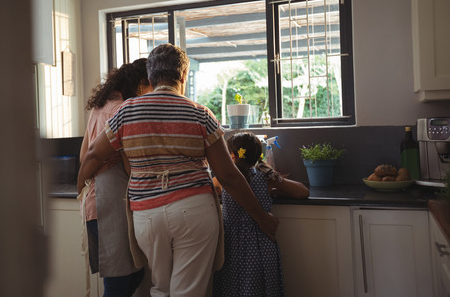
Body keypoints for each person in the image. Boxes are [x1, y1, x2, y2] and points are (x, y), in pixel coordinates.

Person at [78, 43, 279, 297]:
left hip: (146, 215)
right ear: (183, 76)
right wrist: (262, 218)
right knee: (189, 291)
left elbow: (94, 154)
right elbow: (227, 176)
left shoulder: (126, 112)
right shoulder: (200, 114)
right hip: (193, 211)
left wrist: (80, 187)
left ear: (150, 77)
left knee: (160, 288)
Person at [78, 58, 152, 297]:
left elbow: (83, 155)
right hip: (110, 200)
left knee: (132, 272)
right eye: (150, 87)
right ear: (141, 84)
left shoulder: (101, 106)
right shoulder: (122, 109)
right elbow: (131, 165)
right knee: (120, 280)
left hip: (96, 200)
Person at [212, 132, 310, 297]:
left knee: (232, 289)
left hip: (231, 246)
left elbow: (213, 189)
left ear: (232, 156)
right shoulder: (265, 177)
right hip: (261, 245)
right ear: (259, 155)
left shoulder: (225, 179)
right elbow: (302, 192)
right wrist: (275, 185)